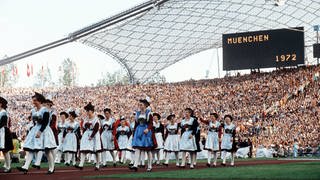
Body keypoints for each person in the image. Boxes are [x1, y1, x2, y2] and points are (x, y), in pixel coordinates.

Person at [17, 92, 57, 174]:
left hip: (44, 130)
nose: (33, 102)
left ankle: (51, 168)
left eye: (35, 100)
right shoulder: (34, 110)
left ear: (39, 101)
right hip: (36, 129)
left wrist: (40, 131)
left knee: (47, 151)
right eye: (33, 100)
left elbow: (45, 122)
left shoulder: (45, 110)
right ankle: (25, 166)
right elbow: (35, 121)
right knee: (31, 149)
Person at [129, 99, 157, 172]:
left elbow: (151, 123)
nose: (140, 106)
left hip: (146, 131)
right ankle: (135, 165)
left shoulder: (149, 113)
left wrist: (148, 129)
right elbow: (136, 124)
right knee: (137, 148)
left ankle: (150, 166)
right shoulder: (137, 113)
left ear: (145, 105)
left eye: (141, 105)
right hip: (139, 130)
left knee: (148, 149)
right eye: (139, 105)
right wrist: (134, 133)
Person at [75, 102, 102, 171]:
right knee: (84, 149)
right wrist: (82, 136)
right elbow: (83, 127)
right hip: (87, 134)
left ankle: (97, 164)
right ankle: (81, 164)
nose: (87, 112)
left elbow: (96, 128)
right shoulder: (86, 118)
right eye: (86, 111)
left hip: (94, 135)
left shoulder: (96, 119)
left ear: (92, 111)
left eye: (88, 110)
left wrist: (92, 136)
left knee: (96, 150)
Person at [0, 96, 14, 173]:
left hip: (3, 132)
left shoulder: (3, 112)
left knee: (5, 151)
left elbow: (3, 123)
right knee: (4, 151)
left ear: (0, 104)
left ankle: (8, 167)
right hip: (2, 131)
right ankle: (7, 165)